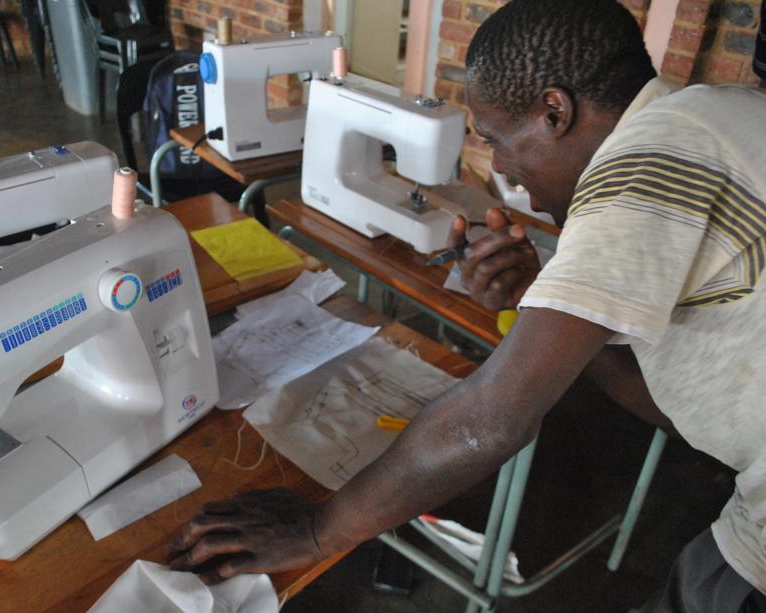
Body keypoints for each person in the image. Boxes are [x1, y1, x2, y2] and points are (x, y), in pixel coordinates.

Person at [170, 1, 766, 610]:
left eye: (496, 139)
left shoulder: (644, 170)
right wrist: (540, 296)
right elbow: (668, 408)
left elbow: (491, 421)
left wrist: (317, 530)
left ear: (554, 112)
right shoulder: (722, 113)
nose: (501, 168)